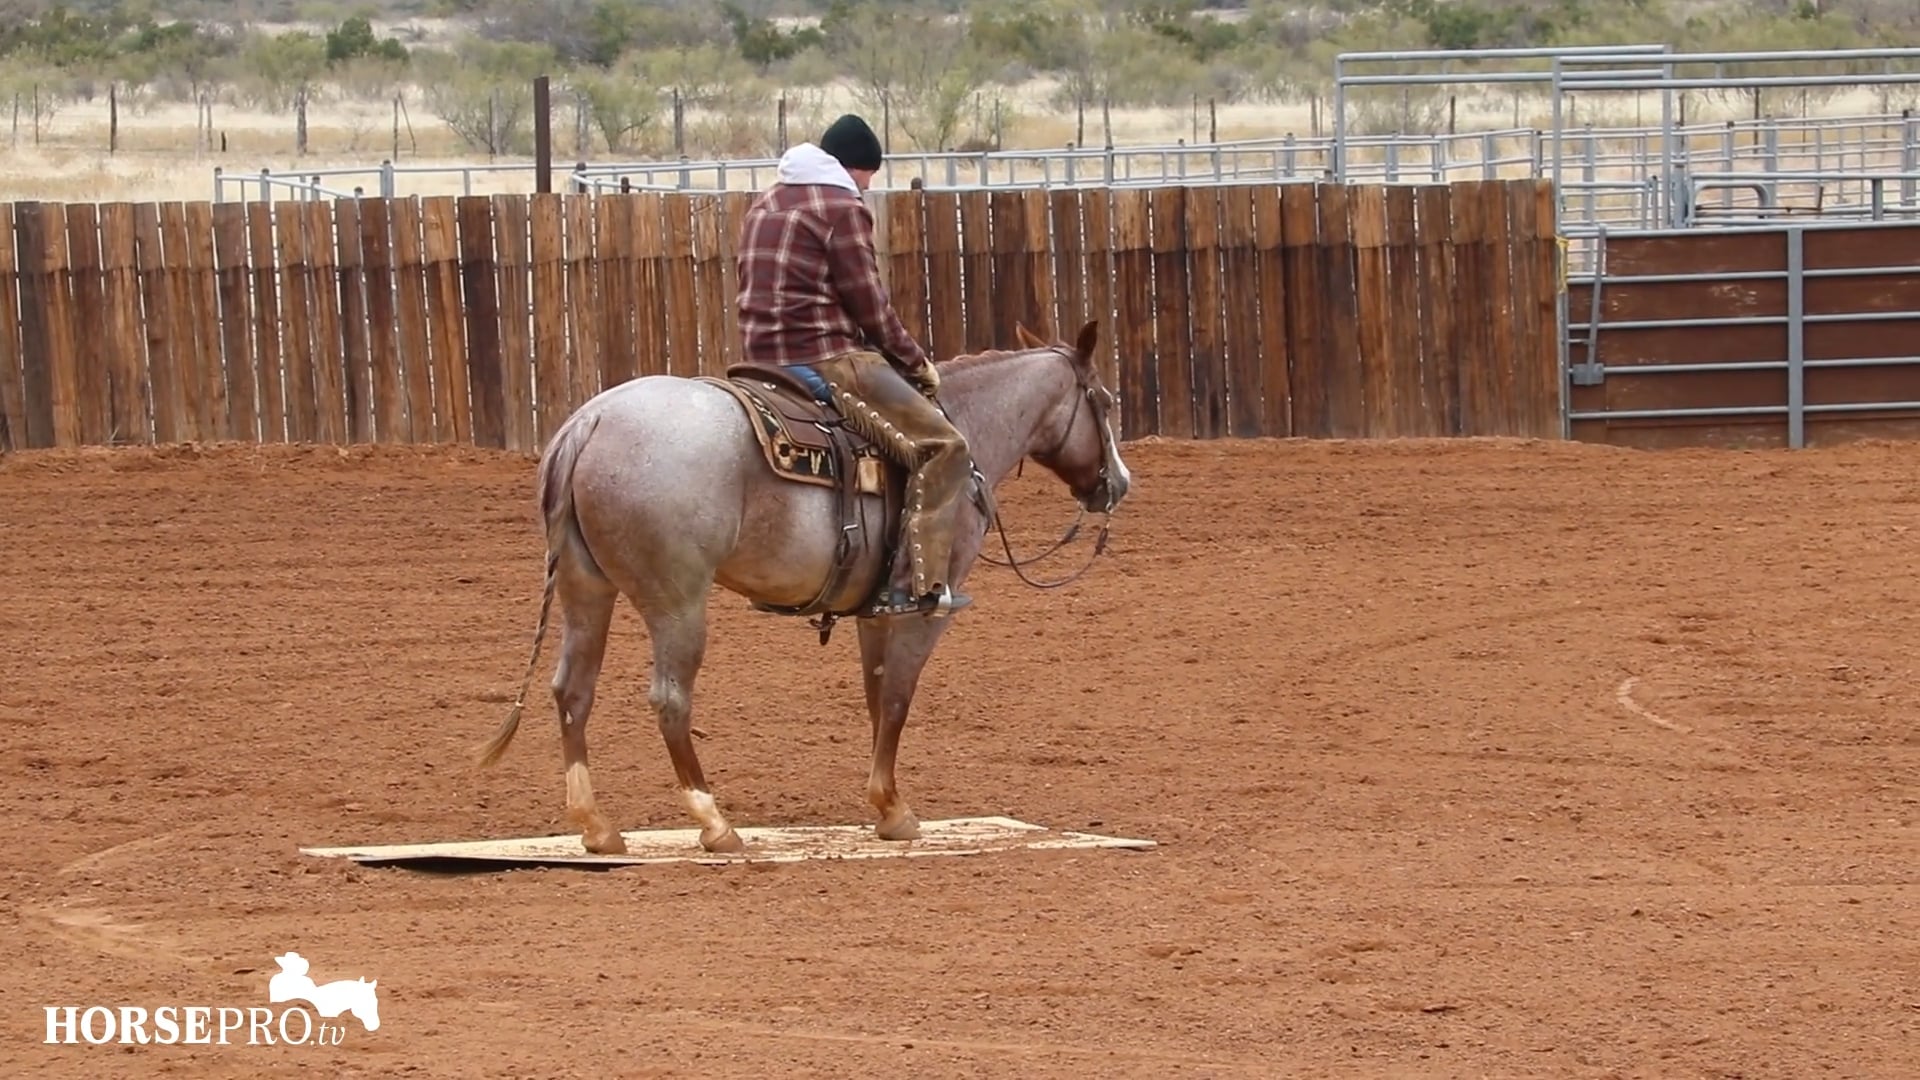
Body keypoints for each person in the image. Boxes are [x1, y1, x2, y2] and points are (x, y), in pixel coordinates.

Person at [734, 113, 973, 618]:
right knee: (944, 448)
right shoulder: (842, 206)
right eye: (869, 176)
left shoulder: (767, 200)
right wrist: (916, 363)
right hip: (824, 355)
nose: (867, 186)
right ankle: (914, 583)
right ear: (856, 168)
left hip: (757, 358)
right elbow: (870, 306)